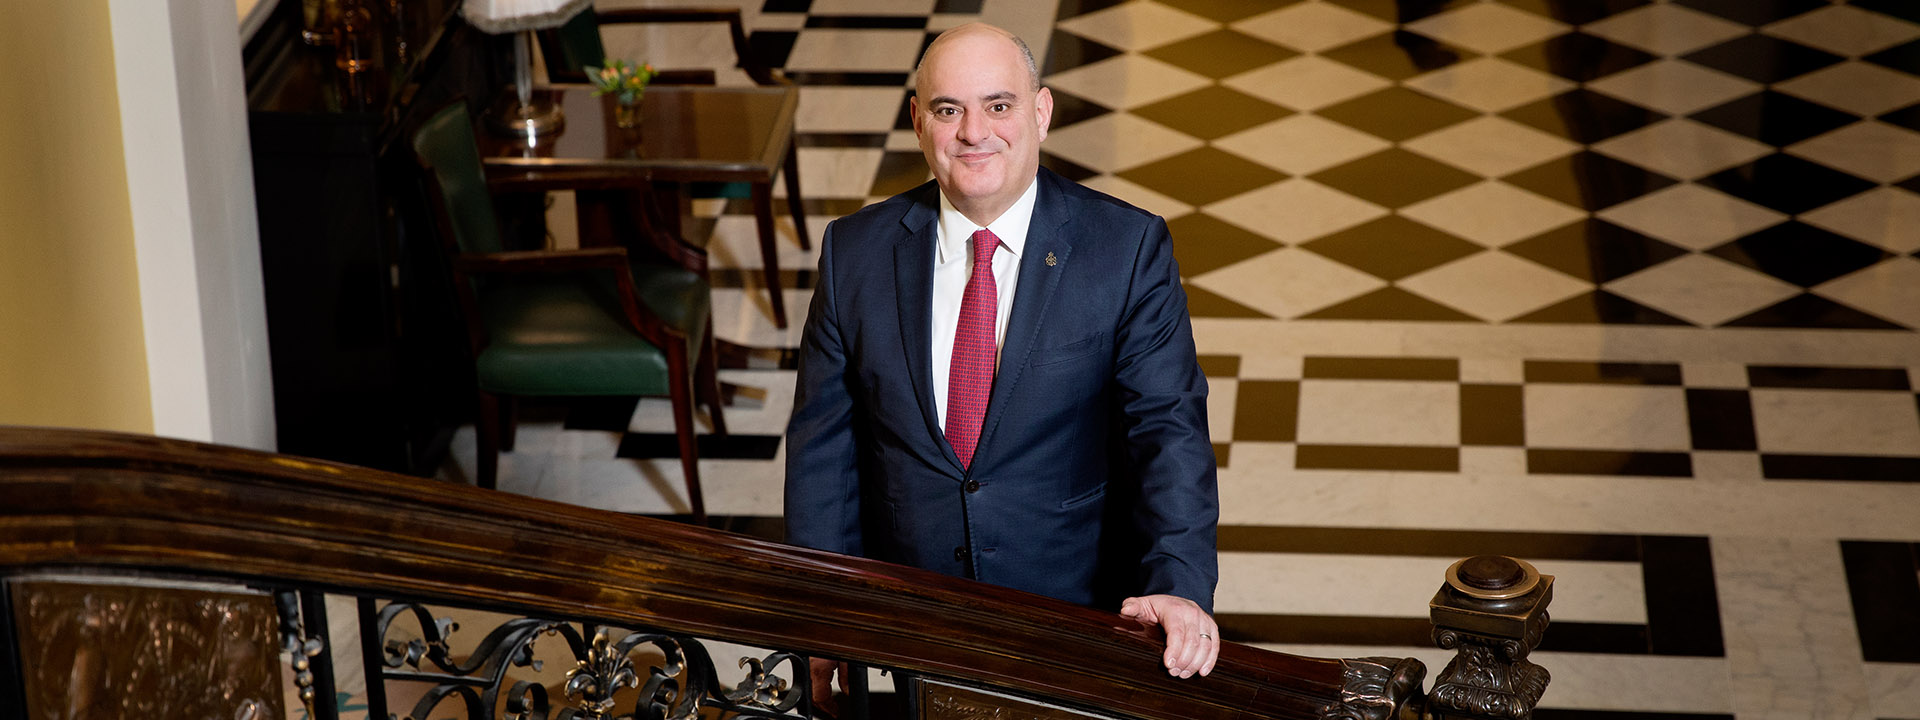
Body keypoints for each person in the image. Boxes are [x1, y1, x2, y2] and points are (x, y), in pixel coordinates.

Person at [783, 22, 1220, 701]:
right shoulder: (854, 253)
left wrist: (1177, 586)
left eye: (999, 105)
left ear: (1041, 113)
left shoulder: (1127, 249)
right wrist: (823, 610)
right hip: (909, 629)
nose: (973, 132)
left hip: (1075, 620)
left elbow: (1169, 433)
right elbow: (822, 453)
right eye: (948, 109)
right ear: (918, 122)